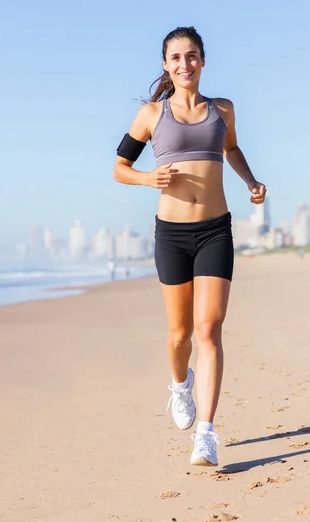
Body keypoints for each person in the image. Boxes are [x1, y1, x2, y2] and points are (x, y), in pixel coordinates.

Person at [113, 26, 266, 466]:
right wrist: (148, 178)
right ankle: (181, 385)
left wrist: (251, 182)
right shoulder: (151, 115)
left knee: (208, 330)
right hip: (173, 236)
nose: (185, 64)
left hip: (216, 230)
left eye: (192, 56)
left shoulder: (223, 110)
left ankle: (207, 434)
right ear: (166, 64)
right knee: (179, 335)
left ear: (203, 60)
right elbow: (120, 167)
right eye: (176, 57)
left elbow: (231, 149)